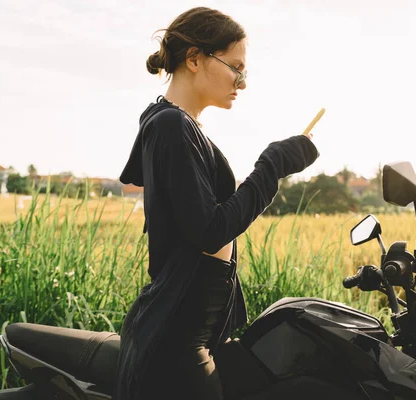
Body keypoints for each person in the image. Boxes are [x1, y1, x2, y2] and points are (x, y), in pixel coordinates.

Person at [114, 6, 319, 400]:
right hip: (178, 342)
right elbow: (209, 231)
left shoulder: (177, 125)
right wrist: (272, 165)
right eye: (236, 67)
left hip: (196, 332)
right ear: (195, 59)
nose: (242, 81)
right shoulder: (171, 126)